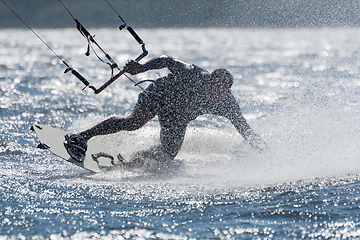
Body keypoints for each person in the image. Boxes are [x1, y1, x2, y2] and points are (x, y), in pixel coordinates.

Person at [64, 55, 267, 165]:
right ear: (209, 80)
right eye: (212, 87)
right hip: (160, 94)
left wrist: (265, 152)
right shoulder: (194, 74)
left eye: (220, 91)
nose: (214, 93)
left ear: (226, 92)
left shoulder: (227, 104)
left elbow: (244, 128)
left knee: (168, 154)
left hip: (178, 115)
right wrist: (141, 68)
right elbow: (167, 60)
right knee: (133, 123)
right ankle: (81, 137)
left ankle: (133, 160)